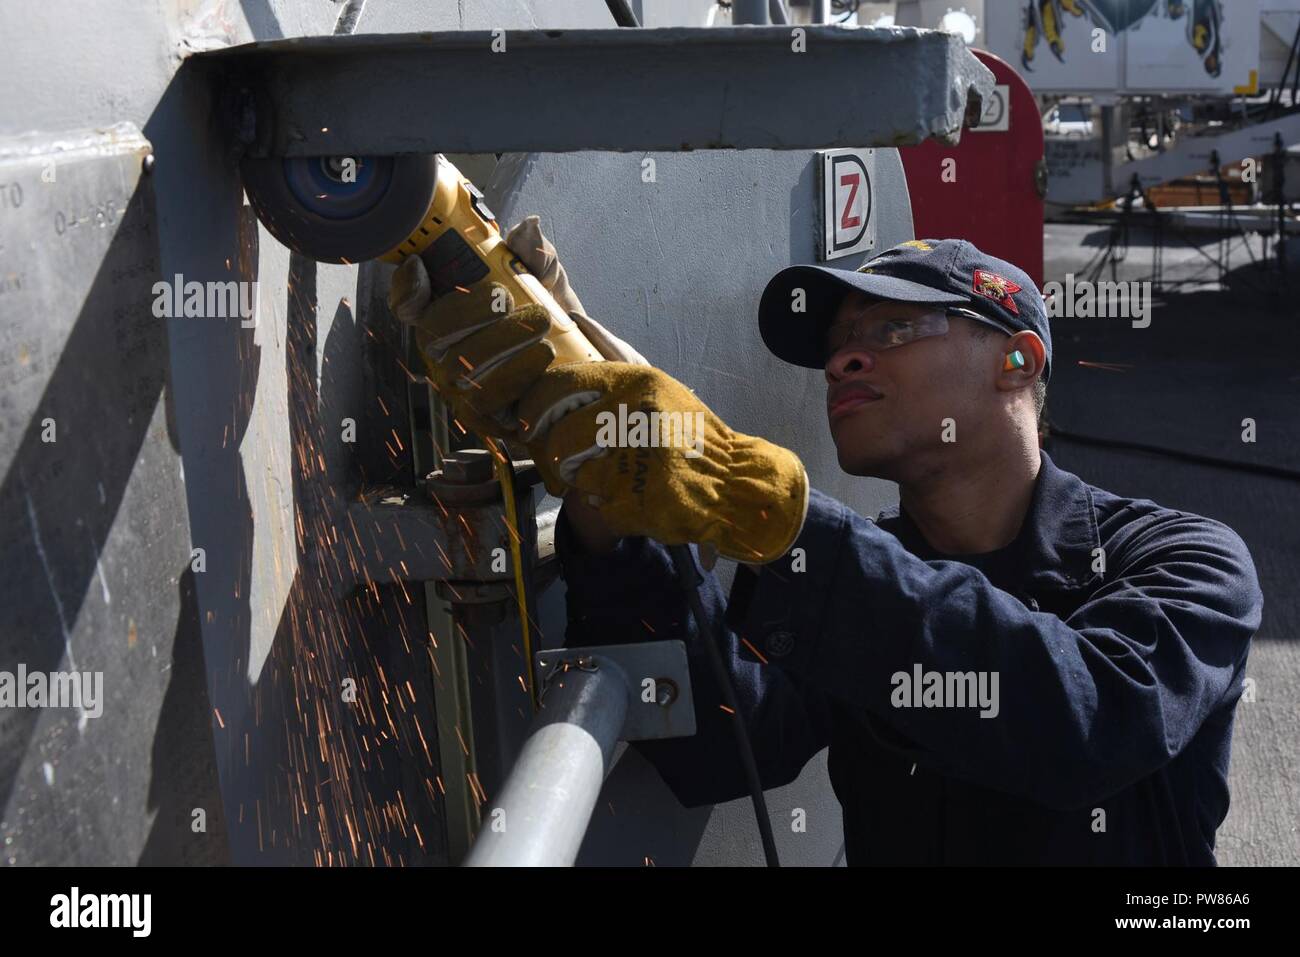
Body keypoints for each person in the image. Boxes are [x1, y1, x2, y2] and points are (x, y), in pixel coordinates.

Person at [389, 222, 1261, 865]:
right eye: (840, 345)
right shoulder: (858, 581)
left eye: (891, 331)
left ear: (1018, 361)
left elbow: (1088, 722)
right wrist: (607, 509)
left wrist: (774, 515)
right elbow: (731, 743)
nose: (845, 360)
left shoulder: (1187, 559)